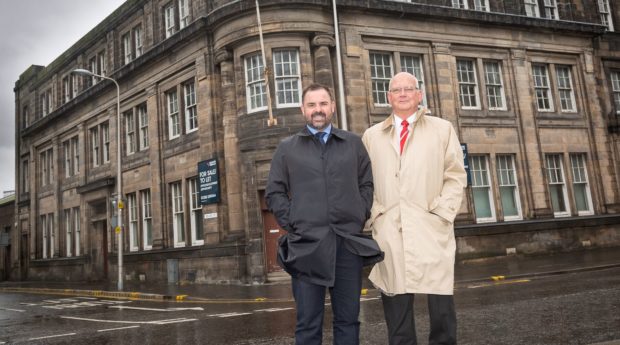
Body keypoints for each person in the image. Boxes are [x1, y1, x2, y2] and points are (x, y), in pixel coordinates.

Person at [266, 83, 383, 345]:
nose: (318, 110)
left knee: (348, 320)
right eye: (311, 105)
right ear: (303, 110)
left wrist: (359, 214)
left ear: (332, 107)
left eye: (322, 104)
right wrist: (294, 223)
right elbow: (274, 192)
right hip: (306, 247)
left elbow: (367, 184)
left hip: (347, 246)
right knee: (308, 324)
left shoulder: (353, 144)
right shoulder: (287, 148)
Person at [362, 72, 467, 345]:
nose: (403, 93)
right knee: (397, 311)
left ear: (419, 95)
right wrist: (377, 216)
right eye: (397, 89)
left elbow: (455, 176)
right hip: (390, 231)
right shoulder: (371, 136)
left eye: (409, 88)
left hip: (431, 228)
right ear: (389, 97)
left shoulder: (442, 129)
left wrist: (442, 214)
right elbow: (364, 182)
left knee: (441, 308)